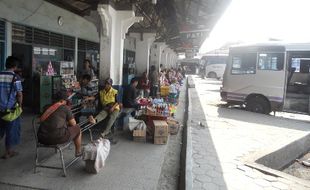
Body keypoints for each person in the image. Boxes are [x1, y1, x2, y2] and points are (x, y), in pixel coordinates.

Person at [37, 91, 83, 157]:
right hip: (57, 138)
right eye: (66, 100)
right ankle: (78, 152)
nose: (66, 102)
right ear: (62, 101)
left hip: (42, 138)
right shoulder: (65, 108)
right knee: (77, 128)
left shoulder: (46, 107)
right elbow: (73, 124)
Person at [0, 56, 23, 159]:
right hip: (10, 109)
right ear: (15, 66)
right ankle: (8, 152)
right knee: (11, 131)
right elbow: (19, 94)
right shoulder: (15, 77)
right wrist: (20, 105)